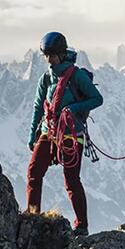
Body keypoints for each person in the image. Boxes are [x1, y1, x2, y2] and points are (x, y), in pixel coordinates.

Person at [26, 31, 103, 235]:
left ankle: (82, 225)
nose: (49, 60)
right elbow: (38, 107)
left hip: (71, 133)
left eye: (52, 56)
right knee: (34, 172)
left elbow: (97, 99)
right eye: (46, 56)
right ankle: (32, 216)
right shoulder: (46, 79)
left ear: (61, 54)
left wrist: (74, 108)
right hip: (48, 132)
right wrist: (33, 135)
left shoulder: (76, 76)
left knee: (71, 179)